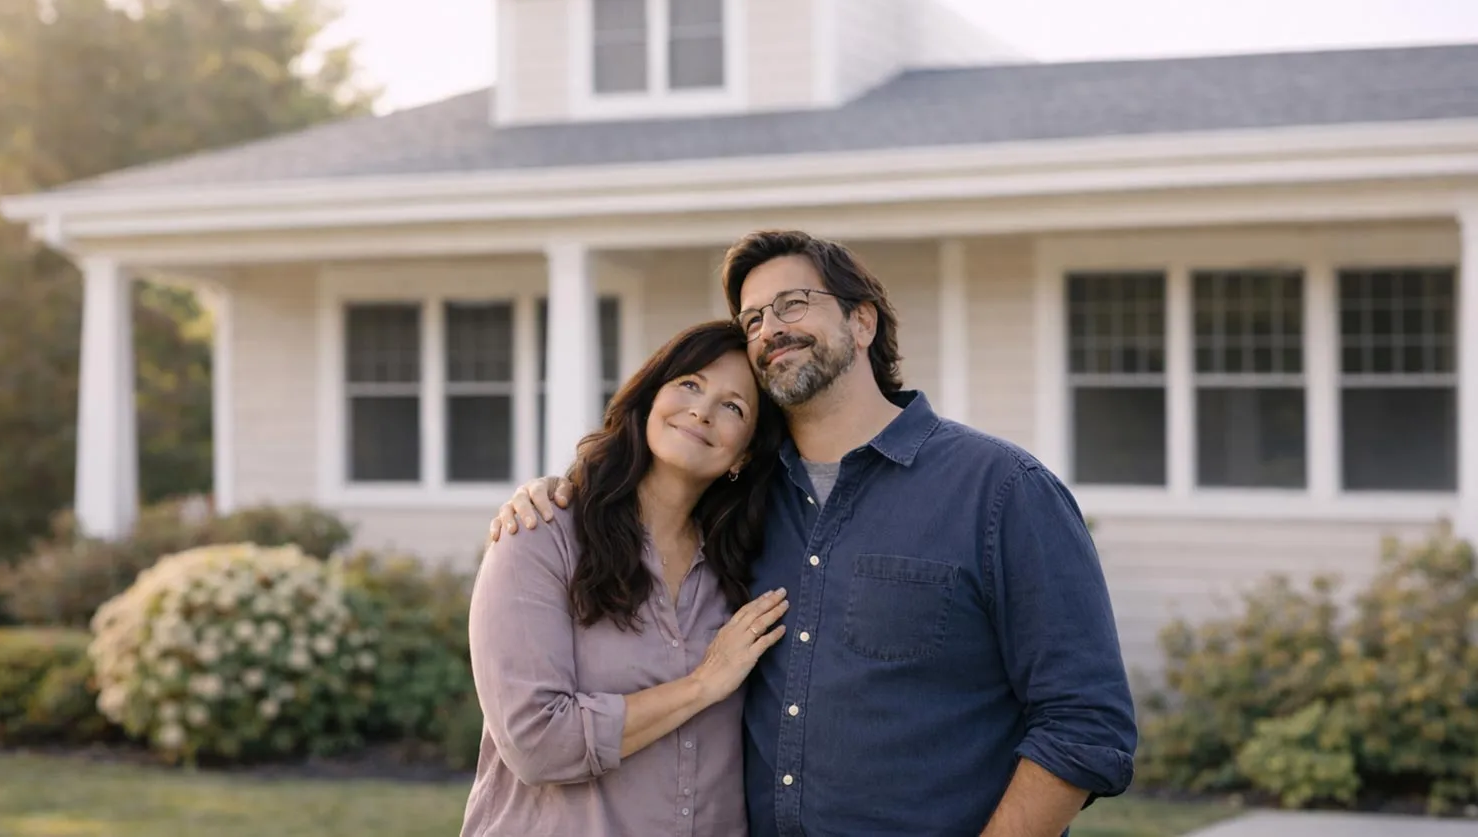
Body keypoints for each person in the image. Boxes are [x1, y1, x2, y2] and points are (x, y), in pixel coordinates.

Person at [491, 229, 1138, 837]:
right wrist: (559, 490)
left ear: (862, 322)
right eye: (753, 319)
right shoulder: (743, 511)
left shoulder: (1002, 490)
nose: (770, 327)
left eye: (792, 303)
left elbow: (1085, 724)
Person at [460, 320, 792, 837]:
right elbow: (536, 743)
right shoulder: (542, 535)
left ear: (744, 454)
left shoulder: (744, 568)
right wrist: (703, 684)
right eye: (689, 384)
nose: (702, 410)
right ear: (650, 396)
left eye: (733, 407)